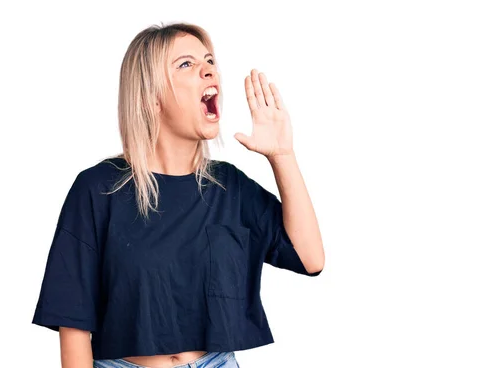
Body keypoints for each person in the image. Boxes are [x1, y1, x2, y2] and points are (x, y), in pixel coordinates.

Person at [32, 22, 325, 368]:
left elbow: (311, 259)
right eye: (186, 64)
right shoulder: (98, 190)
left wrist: (283, 156)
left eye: (210, 61)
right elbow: (74, 324)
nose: (208, 70)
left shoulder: (227, 186)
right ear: (150, 97)